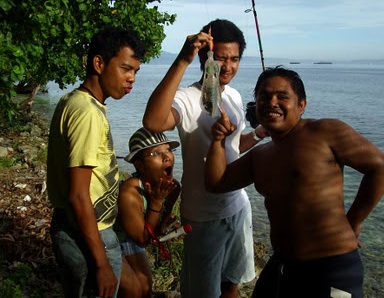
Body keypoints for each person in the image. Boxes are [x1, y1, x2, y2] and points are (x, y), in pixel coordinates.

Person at [204, 66, 384, 298]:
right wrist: (217, 140)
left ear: (301, 105)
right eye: (264, 97)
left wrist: (354, 221)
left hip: (332, 267)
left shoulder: (325, 131)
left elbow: (382, 168)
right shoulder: (260, 155)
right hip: (283, 265)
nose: (272, 102)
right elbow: (216, 183)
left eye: (282, 96)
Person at [142, 19, 268, 298]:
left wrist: (260, 134)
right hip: (203, 215)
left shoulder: (233, 96)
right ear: (205, 57)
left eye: (234, 59)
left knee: (231, 284)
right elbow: (153, 121)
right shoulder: (187, 99)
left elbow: (234, 147)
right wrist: (182, 59)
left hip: (238, 205)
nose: (228, 66)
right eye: (221, 58)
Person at [47, 26, 145, 297]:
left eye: (135, 71)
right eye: (126, 68)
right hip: (90, 236)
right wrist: (101, 264)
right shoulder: (87, 113)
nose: (131, 79)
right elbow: (79, 195)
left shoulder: (74, 101)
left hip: (77, 228)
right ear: (99, 63)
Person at [114, 127, 181, 298]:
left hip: (136, 236)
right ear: (140, 166)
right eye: (156, 153)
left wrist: (169, 228)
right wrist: (156, 202)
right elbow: (143, 239)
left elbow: (155, 231)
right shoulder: (131, 192)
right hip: (115, 239)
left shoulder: (173, 188)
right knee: (135, 291)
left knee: (146, 288)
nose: (167, 156)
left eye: (168, 150)